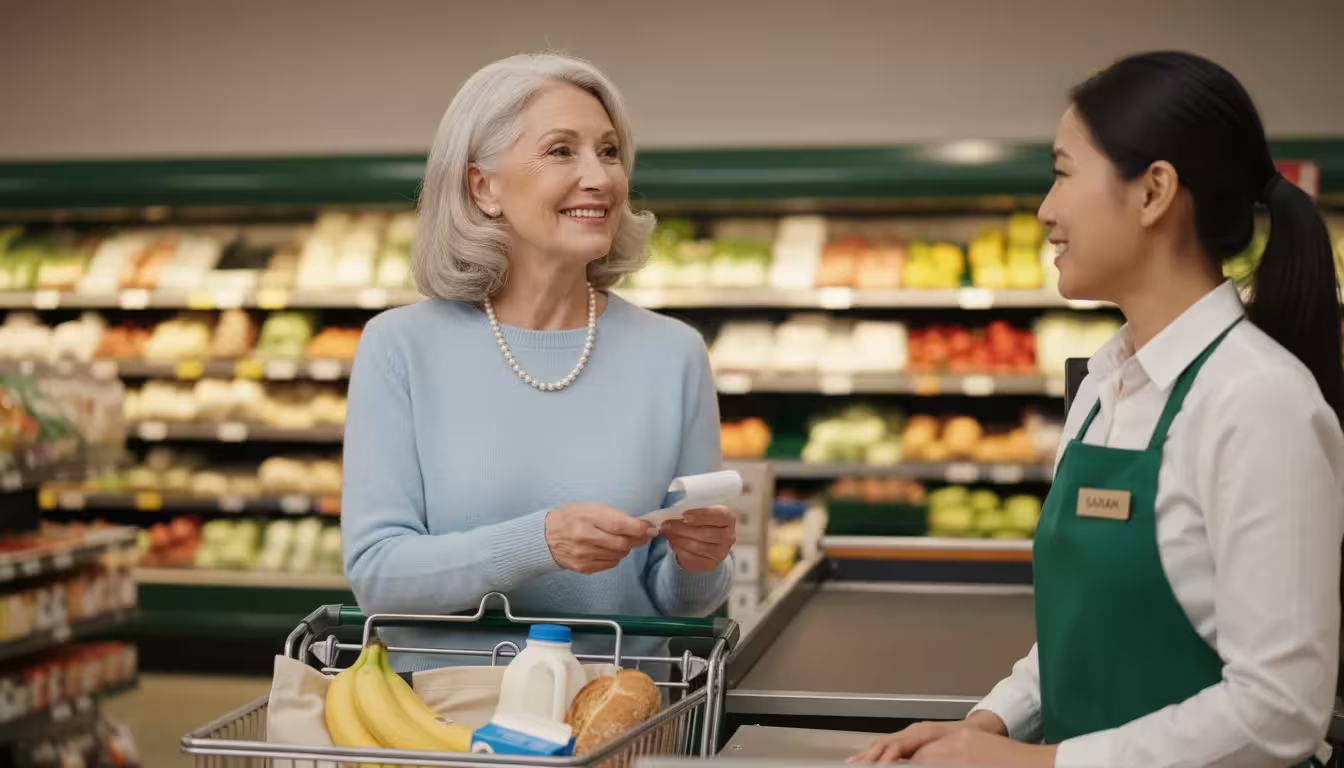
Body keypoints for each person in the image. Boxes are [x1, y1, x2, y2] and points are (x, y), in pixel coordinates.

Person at [854, 51, 1344, 767]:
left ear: (1153, 193)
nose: (1045, 208)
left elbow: (1277, 714)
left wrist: (1036, 763)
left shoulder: (1258, 403)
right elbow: (1090, 633)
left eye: (1062, 172)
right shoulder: (1106, 385)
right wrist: (990, 723)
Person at [340, 52, 736, 673]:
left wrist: (701, 558)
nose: (599, 177)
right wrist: (540, 542)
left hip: (622, 720)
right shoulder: (400, 347)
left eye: (608, 152)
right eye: (561, 151)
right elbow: (379, 575)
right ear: (483, 187)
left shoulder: (674, 353)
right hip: (444, 727)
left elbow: (685, 608)